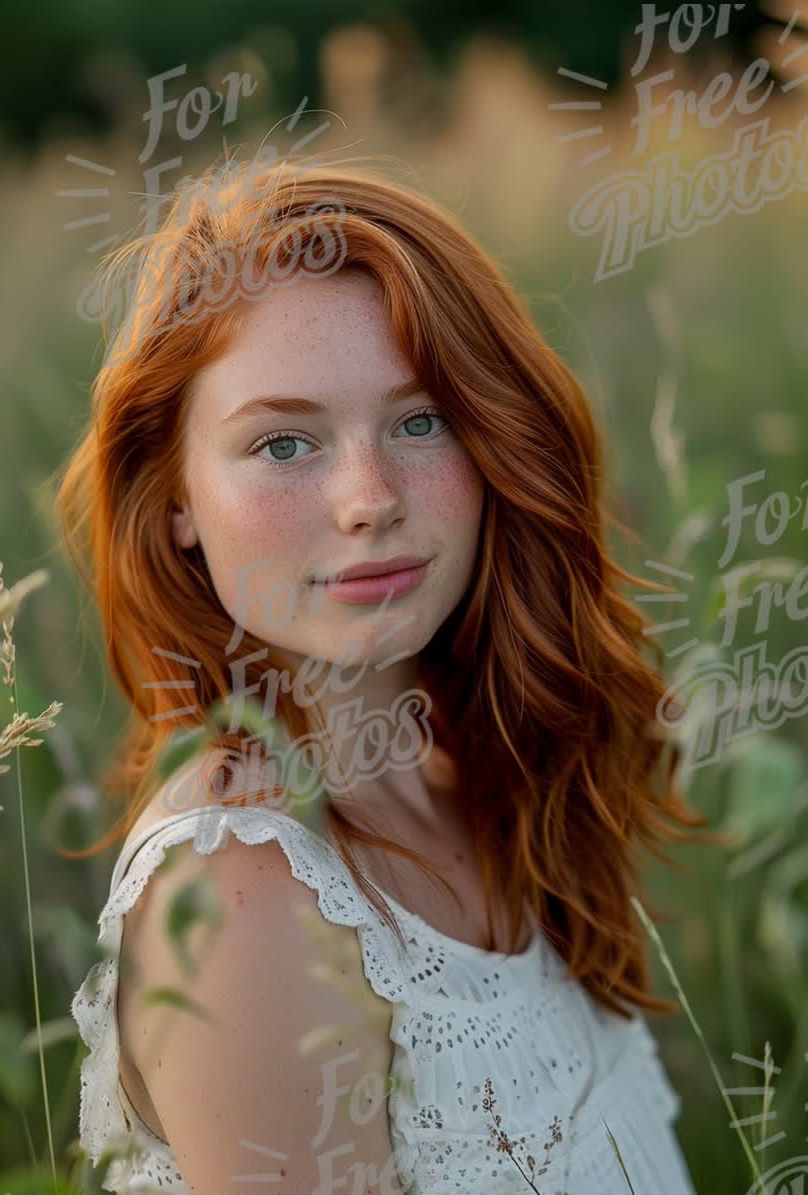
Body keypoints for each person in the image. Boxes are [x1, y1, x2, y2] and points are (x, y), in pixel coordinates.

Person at [58, 159, 710, 1193]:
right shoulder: (245, 896)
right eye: (283, 442)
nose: (369, 499)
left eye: (422, 420)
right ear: (172, 494)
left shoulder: (489, 774)